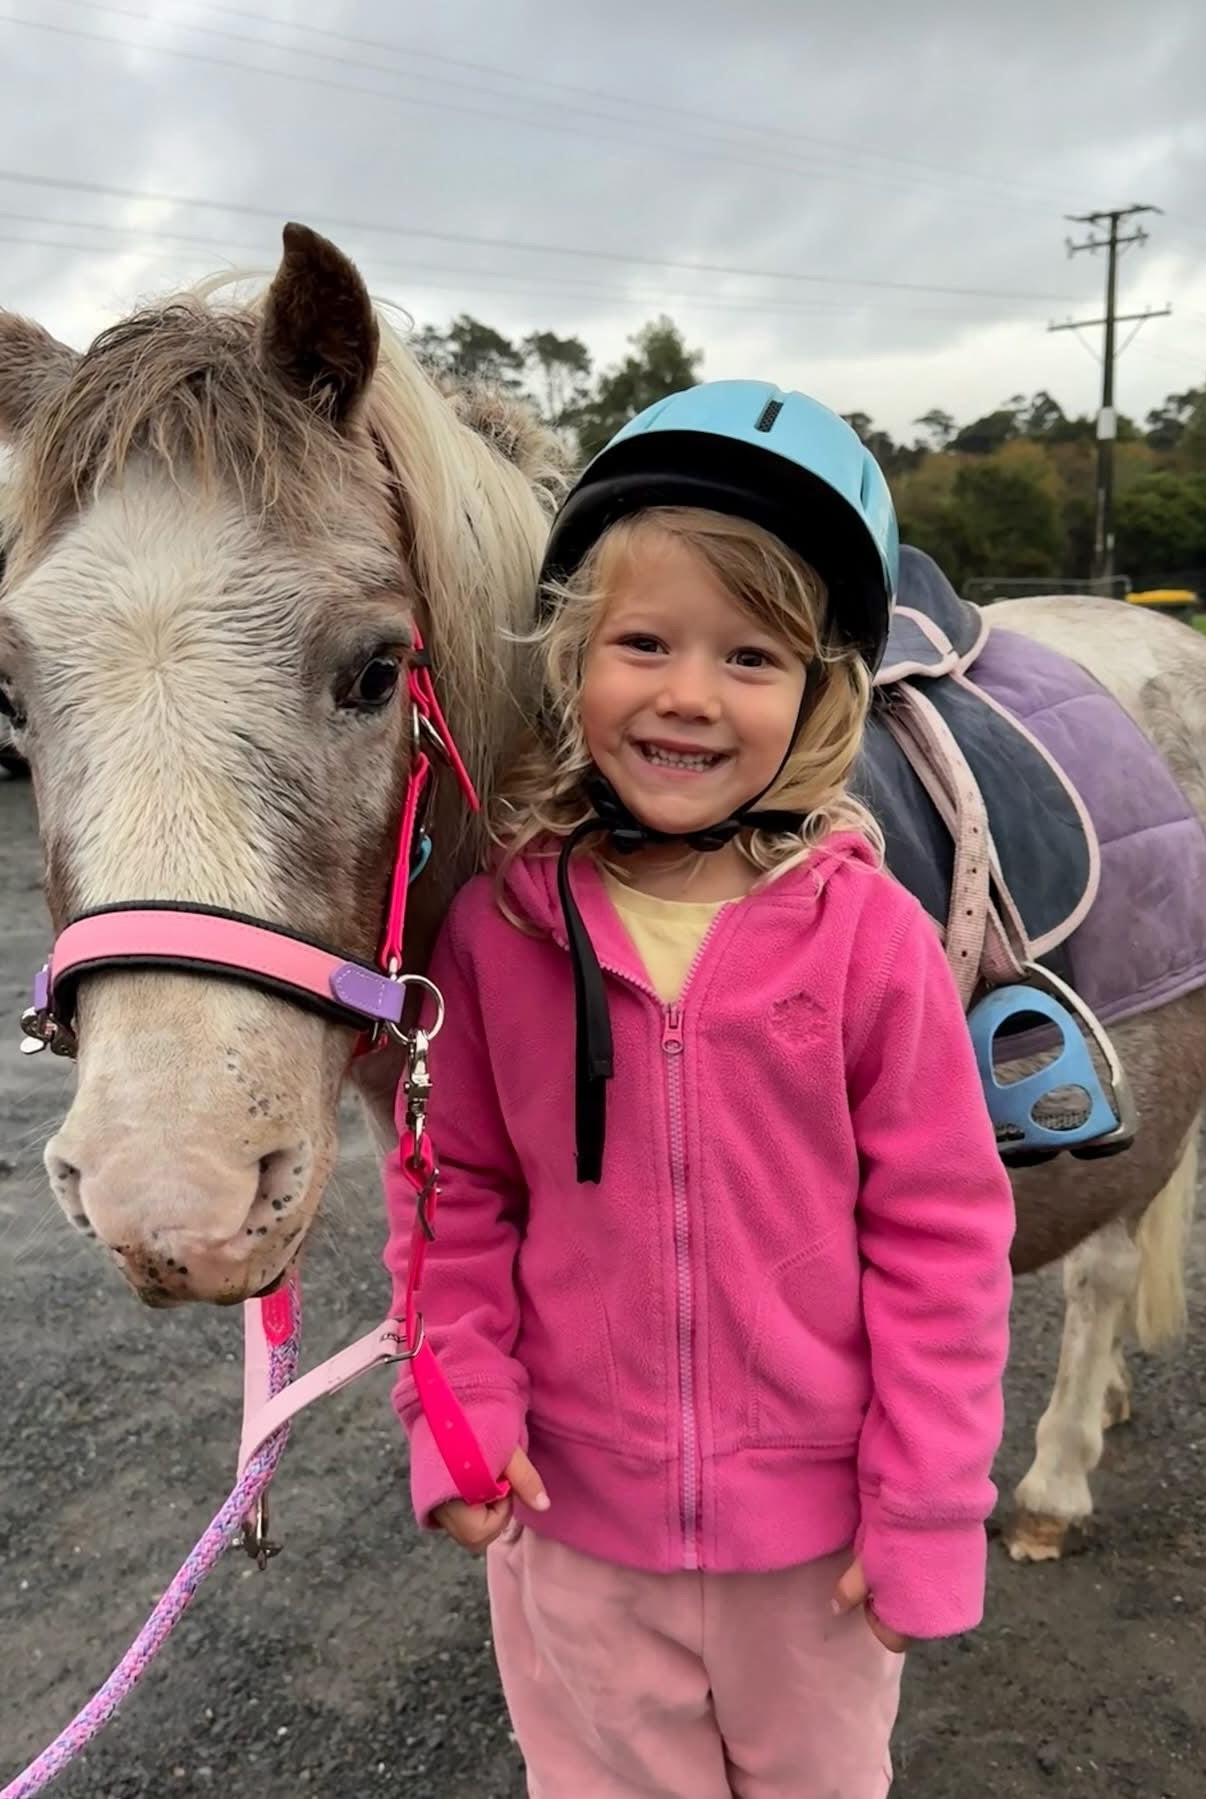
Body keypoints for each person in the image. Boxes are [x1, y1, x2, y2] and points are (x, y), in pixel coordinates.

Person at [383, 380, 1015, 1797]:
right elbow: (449, 1197)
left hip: (814, 1562)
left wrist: (926, 1508)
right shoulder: (496, 935)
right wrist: (457, 1405)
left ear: (819, 694)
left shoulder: (872, 944)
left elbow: (943, 1245)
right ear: (572, 660)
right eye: (645, 643)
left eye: (750, 657)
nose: (688, 693)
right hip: (575, 1543)